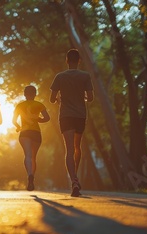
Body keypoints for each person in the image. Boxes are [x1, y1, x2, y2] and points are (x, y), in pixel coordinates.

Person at [50, 49, 94, 197]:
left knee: (69, 149)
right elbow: (91, 97)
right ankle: (75, 175)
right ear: (79, 60)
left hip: (66, 116)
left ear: (67, 60)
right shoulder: (85, 76)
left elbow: (51, 98)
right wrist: (83, 98)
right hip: (80, 115)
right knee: (77, 147)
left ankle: (74, 180)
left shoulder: (59, 77)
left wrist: (58, 100)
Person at [12, 85, 50, 191]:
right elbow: (47, 118)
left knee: (27, 155)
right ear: (35, 94)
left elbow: (14, 121)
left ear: (24, 94)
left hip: (24, 133)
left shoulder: (19, 106)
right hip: (36, 133)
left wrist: (18, 127)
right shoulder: (39, 105)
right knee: (34, 157)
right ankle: (32, 176)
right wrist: (38, 120)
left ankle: (29, 175)